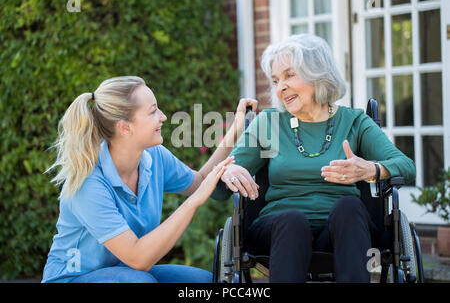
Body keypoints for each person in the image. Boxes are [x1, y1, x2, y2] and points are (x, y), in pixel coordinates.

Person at [211, 34, 416, 283]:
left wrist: (371, 169)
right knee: (292, 219)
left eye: (289, 75)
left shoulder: (354, 121)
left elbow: (407, 167)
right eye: (276, 80)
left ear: (317, 73)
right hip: (280, 228)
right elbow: (219, 192)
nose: (280, 87)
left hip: (342, 230)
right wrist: (228, 173)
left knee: (350, 208)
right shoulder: (269, 123)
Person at [42, 76, 257, 283]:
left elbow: (200, 181)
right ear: (125, 127)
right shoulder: (88, 183)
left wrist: (235, 131)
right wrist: (193, 202)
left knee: (204, 281)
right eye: (153, 111)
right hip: (72, 278)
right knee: (138, 280)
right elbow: (139, 258)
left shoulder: (154, 156)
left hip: (125, 272)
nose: (163, 116)